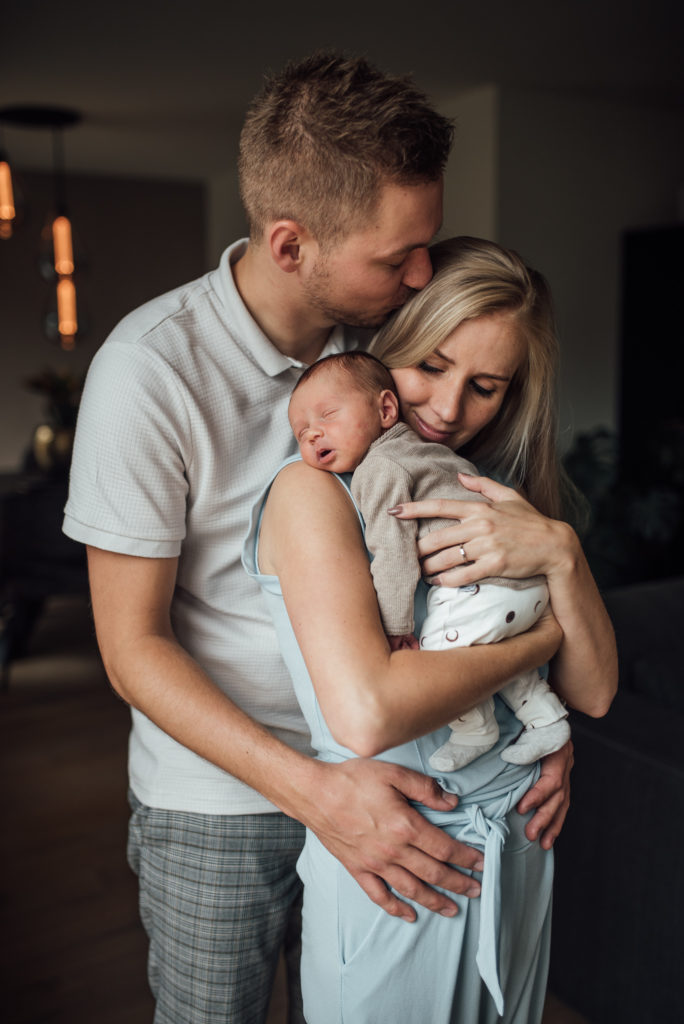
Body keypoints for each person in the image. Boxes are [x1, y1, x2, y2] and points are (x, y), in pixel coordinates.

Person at [63, 52, 578, 1024]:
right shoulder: (149, 370)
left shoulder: (394, 346)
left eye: (426, 245)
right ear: (291, 243)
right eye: (398, 256)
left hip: (413, 768)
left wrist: (523, 724)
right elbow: (133, 648)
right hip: (225, 793)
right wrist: (316, 791)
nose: (424, 272)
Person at [244, 236, 617, 1022]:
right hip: (397, 855)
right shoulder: (316, 494)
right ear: (386, 351)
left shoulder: (494, 493)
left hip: (521, 838)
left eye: (485, 386)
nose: (450, 409)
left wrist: (560, 550)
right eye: (431, 367)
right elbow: (371, 710)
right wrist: (542, 641)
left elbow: (598, 691)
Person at [287, 349, 571, 771]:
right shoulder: (424, 452)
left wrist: (397, 627)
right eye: (301, 431)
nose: (313, 434)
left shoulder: (379, 468)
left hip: (484, 587)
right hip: (525, 592)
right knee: (487, 645)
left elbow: (394, 553)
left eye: (327, 415)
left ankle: (475, 729)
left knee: (442, 656)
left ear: (385, 409)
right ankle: (545, 718)